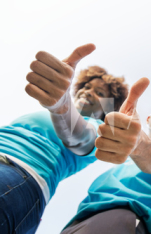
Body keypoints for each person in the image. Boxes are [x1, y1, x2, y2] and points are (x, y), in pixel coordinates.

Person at [0, 44, 128, 234]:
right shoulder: (46, 114)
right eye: (86, 86)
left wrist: (62, 105)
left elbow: (81, 138)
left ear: (108, 108)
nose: (87, 92)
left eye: (100, 93)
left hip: (18, 172)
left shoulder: (98, 129)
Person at [60, 84, 151, 234]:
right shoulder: (123, 154)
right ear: (148, 119)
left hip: (123, 219)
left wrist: (141, 146)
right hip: (81, 219)